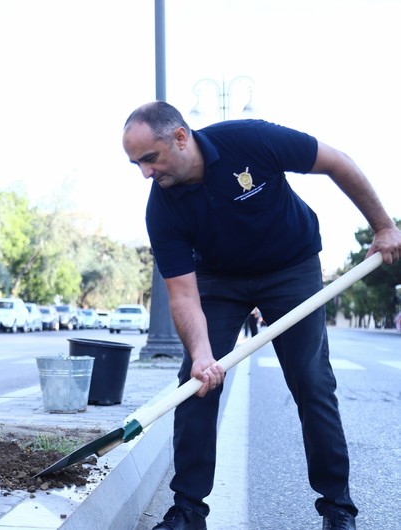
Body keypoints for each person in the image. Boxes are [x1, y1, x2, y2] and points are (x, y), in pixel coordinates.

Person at [122, 101, 401, 530]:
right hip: (220, 279)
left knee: (312, 381)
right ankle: (188, 511)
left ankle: (337, 508)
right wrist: (200, 354)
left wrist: (383, 226)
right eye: (135, 164)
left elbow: (337, 163)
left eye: (149, 159)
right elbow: (182, 293)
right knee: (197, 383)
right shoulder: (162, 208)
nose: (144, 173)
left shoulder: (249, 139)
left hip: (290, 266)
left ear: (180, 138)